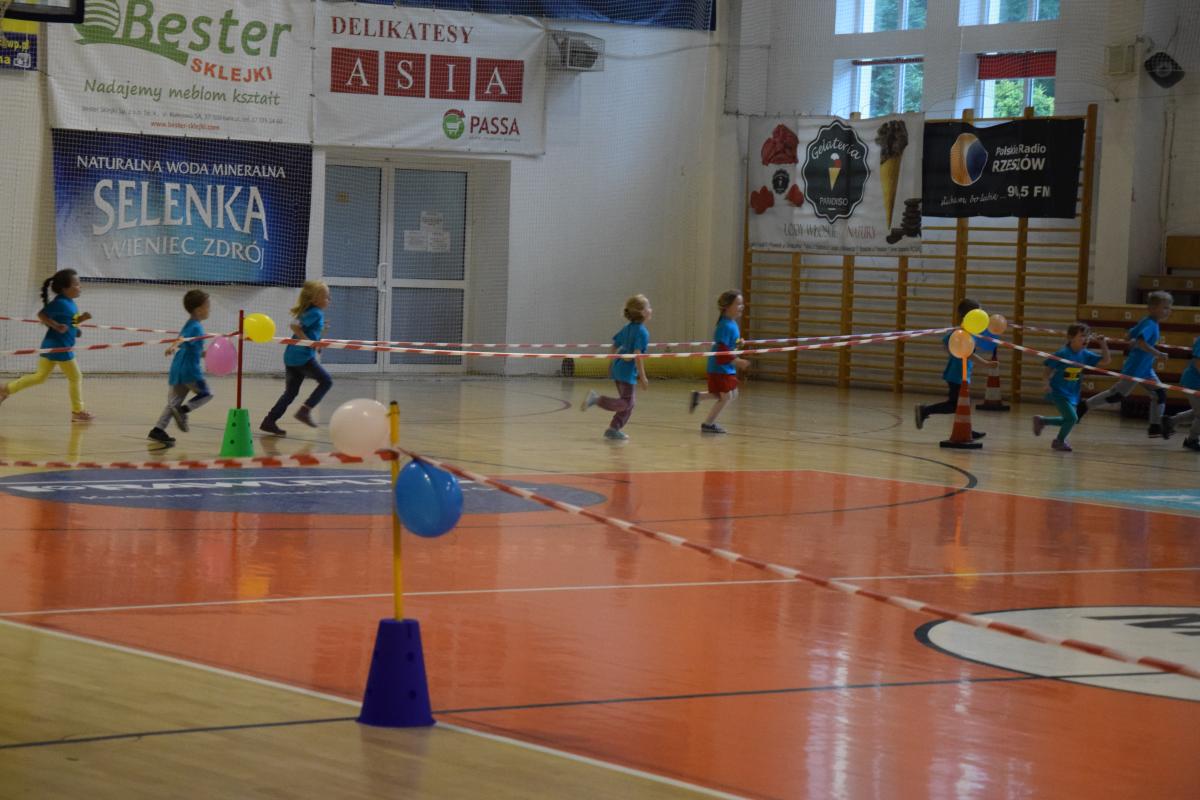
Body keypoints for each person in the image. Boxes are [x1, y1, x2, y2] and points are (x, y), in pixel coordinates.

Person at [0, 269, 94, 421]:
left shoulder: (70, 303)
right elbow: (41, 314)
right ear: (65, 288)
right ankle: (78, 411)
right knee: (76, 377)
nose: (80, 287)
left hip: (52, 346)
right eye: (77, 284)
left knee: (40, 377)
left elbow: (71, 322)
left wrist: (80, 321)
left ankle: (5, 389)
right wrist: (56, 326)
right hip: (60, 347)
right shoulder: (60, 302)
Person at [1078, 290, 1173, 437]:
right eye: (1165, 307)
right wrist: (1158, 353)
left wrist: (1132, 340)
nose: (1168, 311)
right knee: (1116, 395)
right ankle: (1084, 405)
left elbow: (1129, 335)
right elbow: (1141, 342)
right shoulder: (1150, 324)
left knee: (1159, 394)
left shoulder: (1147, 322)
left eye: (1169, 308)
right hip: (1135, 367)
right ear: (1153, 308)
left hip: (1146, 368)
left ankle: (1155, 427)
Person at [260, 280, 333, 437]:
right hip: (302, 358)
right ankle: (304, 411)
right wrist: (308, 342)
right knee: (326, 381)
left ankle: (269, 421)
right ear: (315, 299)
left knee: (291, 392)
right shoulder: (315, 312)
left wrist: (316, 342)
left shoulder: (311, 312)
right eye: (326, 297)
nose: (329, 299)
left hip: (291, 357)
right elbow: (294, 325)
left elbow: (305, 330)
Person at [914, 298, 990, 438]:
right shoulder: (962, 332)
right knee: (956, 404)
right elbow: (967, 353)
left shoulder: (966, 331)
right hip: (957, 374)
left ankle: (966, 430)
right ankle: (925, 410)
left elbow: (947, 342)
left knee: (962, 403)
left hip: (960, 373)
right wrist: (986, 364)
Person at [581, 294, 651, 441]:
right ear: (642, 312)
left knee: (629, 404)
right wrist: (643, 377)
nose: (650, 310)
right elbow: (637, 354)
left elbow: (614, 345)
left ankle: (613, 429)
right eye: (648, 307)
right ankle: (596, 399)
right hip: (626, 372)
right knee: (627, 403)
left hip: (618, 368)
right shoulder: (642, 332)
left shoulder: (626, 328)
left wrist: (611, 364)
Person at [148, 290, 214, 445]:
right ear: (198, 310)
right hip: (190, 371)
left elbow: (188, 345)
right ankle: (184, 410)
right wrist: (173, 346)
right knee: (207, 394)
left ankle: (158, 430)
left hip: (178, 369)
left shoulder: (189, 323)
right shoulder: (196, 327)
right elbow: (182, 339)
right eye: (207, 306)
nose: (209, 309)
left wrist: (208, 355)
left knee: (173, 403)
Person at [1032, 324, 1111, 452]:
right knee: (1072, 418)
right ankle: (1059, 441)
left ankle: (1042, 421)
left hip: (1073, 393)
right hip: (1058, 392)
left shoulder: (1085, 354)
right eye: (1082, 336)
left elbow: (1106, 361)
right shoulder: (1062, 353)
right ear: (1070, 338)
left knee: (1069, 419)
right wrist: (1045, 383)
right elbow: (1048, 369)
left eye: (1087, 336)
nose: (1086, 339)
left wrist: (1103, 344)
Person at [689, 290, 750, 434]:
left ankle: (699, 396)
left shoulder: (732, 324)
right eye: (738, 304)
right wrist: (738, 361)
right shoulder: (724, 326)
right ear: (727, 306)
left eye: (742, 304)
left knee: (732, 394)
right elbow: (722, 350)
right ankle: (708, 424)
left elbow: (730, 344)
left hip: (725, 368)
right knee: (727, 396)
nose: (741, 306)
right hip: (719, 368)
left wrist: (739, 343)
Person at [1163, 334, 1200, 451]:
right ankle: (1192, 440)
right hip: (1193, 382)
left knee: (1197, 411)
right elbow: (1198, 363)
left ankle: (1170, 422)